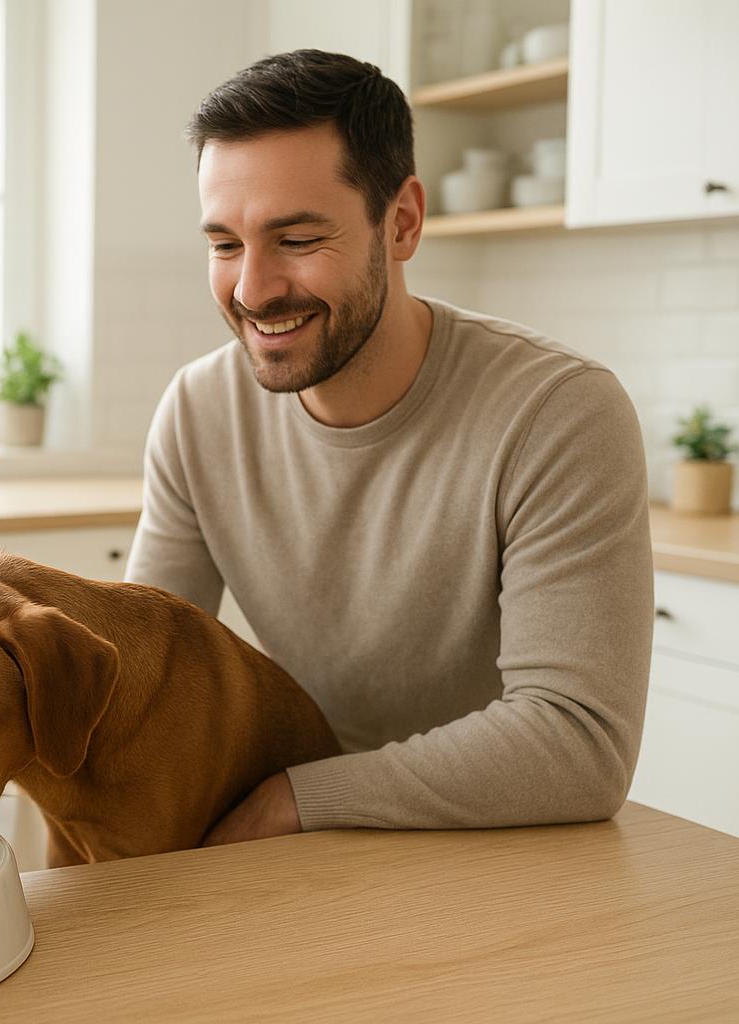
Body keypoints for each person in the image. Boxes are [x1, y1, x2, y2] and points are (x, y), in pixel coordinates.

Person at [124, 50, 654, 844]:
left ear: (401, 222)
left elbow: (577, 741)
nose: (252, 290)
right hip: (314, 851)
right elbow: (149, 678)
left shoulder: (558, 414)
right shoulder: (199, 411)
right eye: (225, 244)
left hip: (509, 845)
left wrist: (295, 801)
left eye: (297, 238)